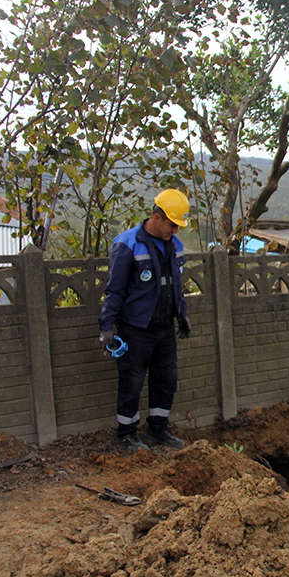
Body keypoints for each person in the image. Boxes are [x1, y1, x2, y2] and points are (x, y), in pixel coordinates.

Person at [99, 189, 193, 451]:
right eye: (173, 224)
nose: (175, 230)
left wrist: (182, 314)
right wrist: (106, 326)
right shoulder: (127, 243)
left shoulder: (175, 246)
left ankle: (158, 430)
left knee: (166, 380)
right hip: (136, 329)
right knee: (132, 381)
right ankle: (126, 434)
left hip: (165, 328)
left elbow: (176, 285)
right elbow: (114, 290)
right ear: (156, 218)